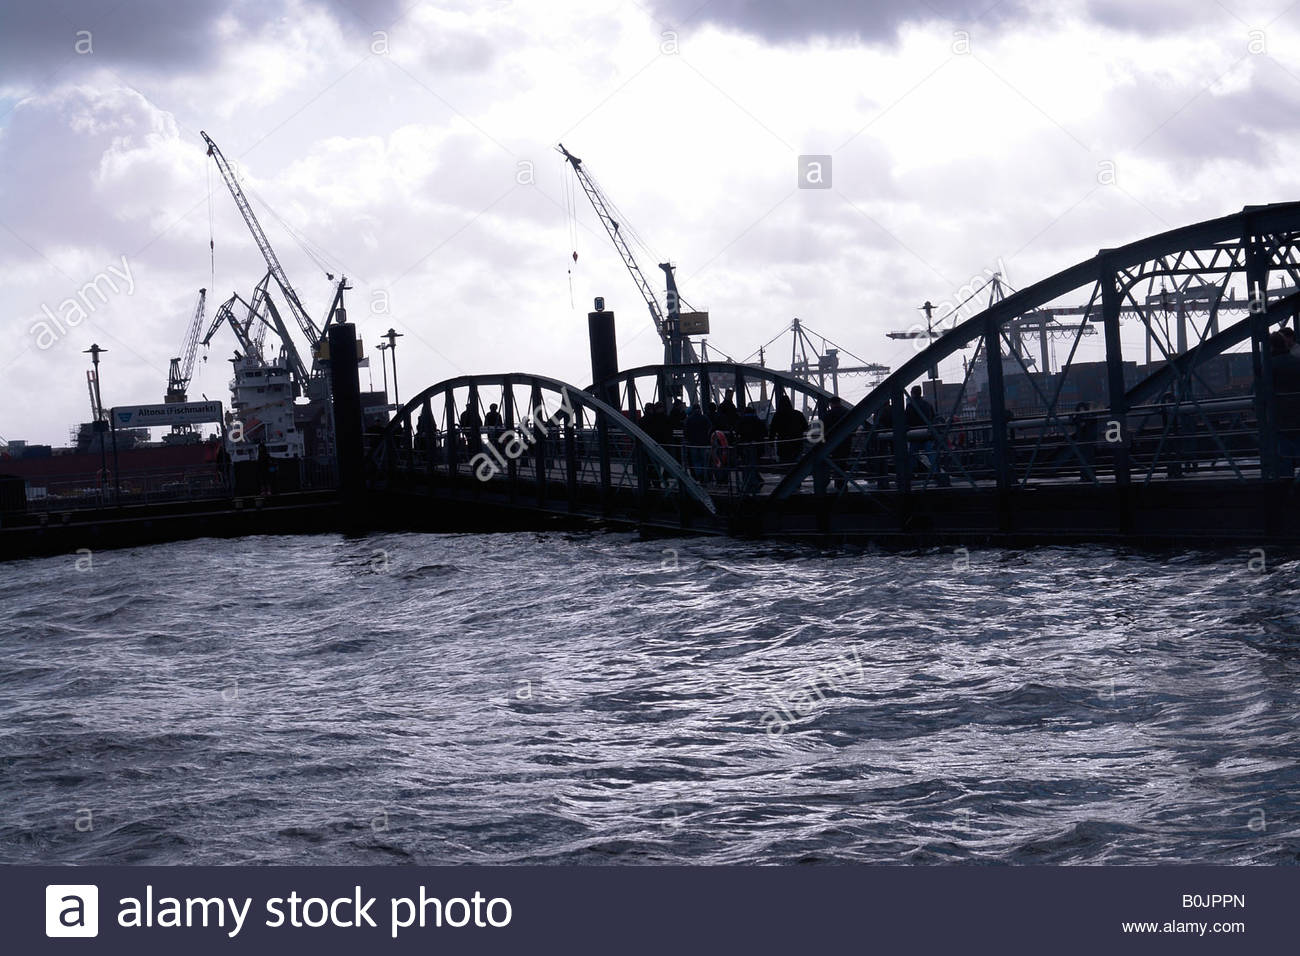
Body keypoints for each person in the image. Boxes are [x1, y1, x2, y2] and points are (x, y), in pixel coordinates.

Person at [1266, 330, 1300, 478]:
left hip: (1280, 414)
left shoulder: (1270, 365)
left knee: (1283, 449)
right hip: (1298, 411)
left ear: (1271, 347)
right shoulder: (1296, 361)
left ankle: (1287, 479)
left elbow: (1263, 390)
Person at [736, 404, 767, 493]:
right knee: (754, 463)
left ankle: (746, 482)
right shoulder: (757, 421)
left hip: (744, 445)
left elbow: (737, 431)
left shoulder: (741, 421)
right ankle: (754, 482)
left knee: (746, 464)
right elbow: (764, 432)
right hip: (756, 445)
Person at [769, 394, 808, 464]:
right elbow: (805, 427)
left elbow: (772, 430)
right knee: (797, 464)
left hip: (783, 444)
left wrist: (771, 442)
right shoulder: (798, 414)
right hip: (797, 442)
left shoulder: (777, 416)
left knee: (785, 464)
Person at [684, 404, 712, 479]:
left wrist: (688, 439)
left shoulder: (689, 419)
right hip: (703, 442)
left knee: (696, 461)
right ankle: (705, 476)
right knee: (704, 461)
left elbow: (686, 431)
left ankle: (699, 475)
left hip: (693, 443)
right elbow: (710, 427)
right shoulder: (705, 418)